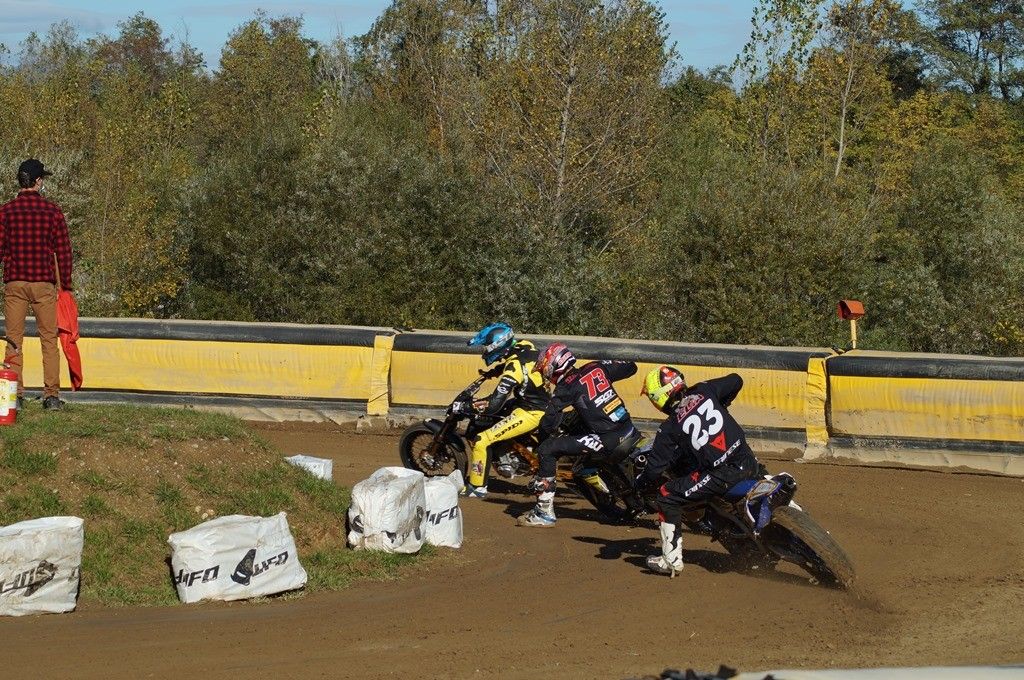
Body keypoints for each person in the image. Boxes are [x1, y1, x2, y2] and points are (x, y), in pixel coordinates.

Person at [635, 366, 763, 577]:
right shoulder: (704, 390)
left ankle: (671, 561)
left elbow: (655, 469)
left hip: (722, 474)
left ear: (659, 396)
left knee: (666, 495)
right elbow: (736, 379)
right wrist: (723, 403)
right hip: (747, 459)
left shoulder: (669, 427)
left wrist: (639, 484)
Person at [517, 343, 640, 527]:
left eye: (544, 370)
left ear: (553, 367)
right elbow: (631, 367)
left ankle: (543, 513)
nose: (545, 375)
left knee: (547, 449)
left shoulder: (566, 387)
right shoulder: (596, 367)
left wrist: (542, 445)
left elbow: (548, 422)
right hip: (628, 428)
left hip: (607, 439)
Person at [0, 159, 73, 411]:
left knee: (13, 340)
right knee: (49, 340)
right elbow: (64, 252)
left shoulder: (5, 212)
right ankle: (51, 396)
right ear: (38, 181)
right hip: (43, 283)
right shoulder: (53, 212)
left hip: (15, 283)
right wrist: (66, 285)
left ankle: (15, 396)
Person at [463, 323, 549, 499]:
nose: (485, 351)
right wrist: (496, 370)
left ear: (497, 345)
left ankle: (477, 487)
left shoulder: (513, 369)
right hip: (542, 402)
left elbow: (494, 404)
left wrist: (467, 406)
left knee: (482, 440)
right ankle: (512, 451)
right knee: (501, 414)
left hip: (531, 412)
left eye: (486, 346)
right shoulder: (526, 345)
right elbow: (521, 360)